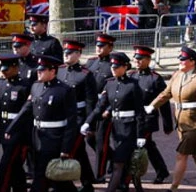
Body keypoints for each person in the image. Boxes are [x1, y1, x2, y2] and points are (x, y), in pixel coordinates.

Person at [145, 46, 196, 192]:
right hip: (181, 122)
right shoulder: (177, 75)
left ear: (192, 61)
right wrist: (152, 106)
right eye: (180, 59)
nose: (180, 61)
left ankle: (174, 188)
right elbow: (166, 94)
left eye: (183, 59)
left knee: (181, 154)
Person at [5, 55, 77, 192]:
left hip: (54, 138)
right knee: (58, 179)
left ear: (53, 71)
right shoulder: (36, 86)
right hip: (37, 137)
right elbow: (26, 109)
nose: (38, 72)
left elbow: (71, 122)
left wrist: (66, 148)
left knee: (40, 175)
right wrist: (11, 128)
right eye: (38, 70)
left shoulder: (64, 90)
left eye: (42, 70)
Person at [82, 51, 146, 192]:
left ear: (125, 67)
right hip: (116, 129)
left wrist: (140, 135)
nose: (113, 69)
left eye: (116, 67)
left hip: (129, 129)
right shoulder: (109, 84)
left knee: (118, 164)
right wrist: (88, 122)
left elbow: (140, 112)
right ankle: (131, 185)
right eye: (112, 66)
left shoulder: (133, 85)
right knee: (127, 161)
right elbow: (100, 107)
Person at [57, 39, 98, 192]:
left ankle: (72, 182)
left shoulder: (85, 74)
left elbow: (90, 101)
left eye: (69, 53)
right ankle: (87, 182)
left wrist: (89, 123)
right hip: (61, 116)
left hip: (78, 117)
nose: (66, 55)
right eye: (65, 52)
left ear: (78, 54)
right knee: (79, 151)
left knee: (73, 149)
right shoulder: (59, 70)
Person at [0, 53, 33, 192]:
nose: (3, 71)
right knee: (15, 166)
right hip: (4, 129)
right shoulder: (1, 84)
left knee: (6, 164)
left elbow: (28, 112)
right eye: (2, 68)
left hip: (19, 132)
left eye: (6, 69)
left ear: (16, 68)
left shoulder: (25, 85)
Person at [129, 45, 173, 185]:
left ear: (148, 60)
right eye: (136, 58)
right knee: (148, 146)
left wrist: (167, 124)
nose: (137, 61)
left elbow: (164, 102)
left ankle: (136, 175)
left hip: (148, 119)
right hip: (133, 118)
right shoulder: (131, 75)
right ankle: (162, 171)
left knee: (144, 145)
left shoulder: (155, 79)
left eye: (140, 58)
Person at [84, 33, 116, 181]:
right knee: (90, 139)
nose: (98, 48)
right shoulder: (91, 63)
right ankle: (115, 159)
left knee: (101, 142)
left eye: (102, 46)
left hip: (105, 107)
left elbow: (116, 90)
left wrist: (109, 110)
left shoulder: (114, 65)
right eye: (97, 45)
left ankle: (100, 174)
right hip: (91, 106)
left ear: (110, 47)